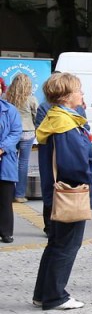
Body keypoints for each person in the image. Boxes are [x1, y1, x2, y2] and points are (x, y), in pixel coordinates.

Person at [32, 73, 92, 310]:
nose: (82, 94)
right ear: (66, 95)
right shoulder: (66, 124)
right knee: (66, 245)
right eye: (78, 90)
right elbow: (74, 166)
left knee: (56, 244)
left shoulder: (57, 118)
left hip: (57, 192)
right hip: (69, 193)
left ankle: (43, 294)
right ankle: (55, 297)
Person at [5, 73, 38, 204]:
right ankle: (19, 195)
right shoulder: (31, 99)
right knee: (23, 164)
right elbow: (36, 116)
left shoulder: (6, 97)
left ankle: (7, 194)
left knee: (9, 162)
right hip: (27, 133)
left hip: (11, 133)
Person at [0, 94, 21, 243]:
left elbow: (16, 132)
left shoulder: (10, 110)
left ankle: (6, 232)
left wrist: (2, 148)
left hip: (5, 158)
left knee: (5, 196)